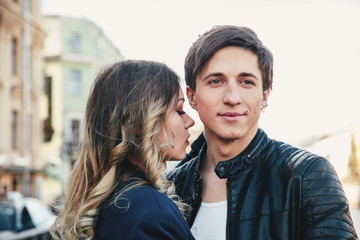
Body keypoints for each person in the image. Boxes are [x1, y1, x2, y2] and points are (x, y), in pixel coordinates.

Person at [168, 25, 358, 239]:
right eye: (216, 81)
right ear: (192, 97)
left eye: (246, 82)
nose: (232, 97)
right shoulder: (171, 187)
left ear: (265, 95)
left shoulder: (306, 176)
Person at [51, 60, 195, 240]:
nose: (190, 121)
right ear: (137, 123)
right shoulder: (151, 213)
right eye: (179, 110)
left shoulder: (110, 202)